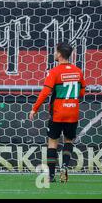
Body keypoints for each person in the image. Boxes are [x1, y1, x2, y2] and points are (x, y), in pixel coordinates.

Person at [29, 42, 86, 183]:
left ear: (59, 54)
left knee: (52, 143)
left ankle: (51, 175)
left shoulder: (54, 72)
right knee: (68, 140)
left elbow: (45, 92)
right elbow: (83, 90)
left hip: (58, 113)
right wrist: (72, 101)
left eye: (55, 51)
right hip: (73, 112)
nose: (54, 54)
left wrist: (34, 108)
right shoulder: (78, 71)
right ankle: (64, 172)